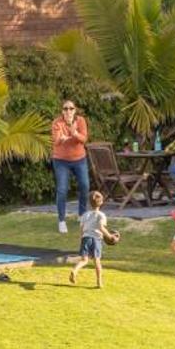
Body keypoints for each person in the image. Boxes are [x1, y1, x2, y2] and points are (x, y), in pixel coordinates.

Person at [49, 99, 91, 234]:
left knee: (85, 186)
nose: (68, 111)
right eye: (65, 109)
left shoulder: (81, 121)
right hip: (61, 161)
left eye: (71, 108)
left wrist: (74, 134)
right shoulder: (57, 123)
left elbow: (84, 139)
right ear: (62, 111)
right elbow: (56, 141)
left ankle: (82, 215)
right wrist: (65, 138)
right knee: (62, 189)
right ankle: (61, 220)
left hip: (79, 159)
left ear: (75, 110)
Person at [68, 190, 120, 288]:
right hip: (96, 239)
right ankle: (99, 282)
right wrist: (109, 236)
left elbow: (82, 229)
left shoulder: (85, 215)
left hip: (85, 238)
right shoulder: (101, 215)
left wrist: (81, 239)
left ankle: (74, 270)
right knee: (97, 261)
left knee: (84, 260)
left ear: (89, 203)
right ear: (101, 202)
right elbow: (101, 227)